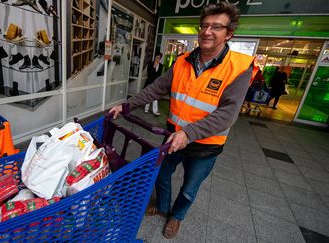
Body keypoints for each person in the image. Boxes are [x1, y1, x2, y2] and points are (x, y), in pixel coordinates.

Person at [109, 2, 256, 239]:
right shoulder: (182, 61)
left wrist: (189, 133)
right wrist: (126, 105)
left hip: (205, 145)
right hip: (173, 138)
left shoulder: (239, 68)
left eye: (216, 27)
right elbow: (155, 89)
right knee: (162, 175)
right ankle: (164, 207)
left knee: (189, 188)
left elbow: (228, 114)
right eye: (205, 25)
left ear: (229, 34)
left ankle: (176, 217)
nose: (207, 31)